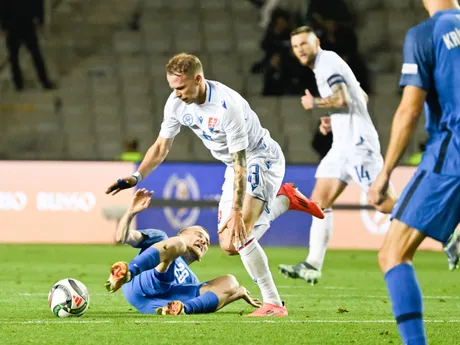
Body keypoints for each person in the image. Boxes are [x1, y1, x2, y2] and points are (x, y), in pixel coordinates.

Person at [106, 53, 323, 317]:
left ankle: (273, 304)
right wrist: (136, 177)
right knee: (229, 244)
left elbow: (242, 162)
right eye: (172, 87)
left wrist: (236, 213)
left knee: (241, 235)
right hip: (234, 166)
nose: (176, 93)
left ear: (198, 79)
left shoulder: (227, 106)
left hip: (259, 159)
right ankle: (284, 200)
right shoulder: (176, 103)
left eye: (181, 87)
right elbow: (162, 146)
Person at [368, 1, 460, 343]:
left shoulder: (426, 34)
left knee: (393, 254)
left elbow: (409, 109)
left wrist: (384, 174)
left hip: (453, 153)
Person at [278, 26, 397, 284]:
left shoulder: (327, 62)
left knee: (381, 200)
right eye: (296, 46)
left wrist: (316, 104)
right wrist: (335, 121)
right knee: (319, 201)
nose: (300, 49)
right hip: (343, 143)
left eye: (304, 44)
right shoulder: (327, 65)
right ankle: (312, 264)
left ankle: (443, 231)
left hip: (357, 143)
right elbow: (359, 97)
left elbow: (343, 100)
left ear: (316, 42)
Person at [105, 189, 261, 315]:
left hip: (156, 304)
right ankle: (128, 272)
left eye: (206, 242)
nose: (203, 241)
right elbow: (122, 237)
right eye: (199, 235)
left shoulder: (190, 280)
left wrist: (235, 293)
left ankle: (181, 310)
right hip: (139, 281)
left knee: (231, 281)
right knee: (177, 245)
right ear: (181, 233)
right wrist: (131, 212)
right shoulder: (160, 238)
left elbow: (209, 302)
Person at [0, 0, 54, 91]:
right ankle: (44, 81)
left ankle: (18, 84)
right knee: (35, 54)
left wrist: (3, 25)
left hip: (14, 24)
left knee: (14, 57)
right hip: (26, 22)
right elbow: (37, 3)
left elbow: (3, 5)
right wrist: (40, 19)